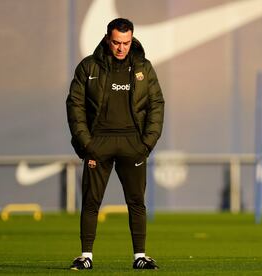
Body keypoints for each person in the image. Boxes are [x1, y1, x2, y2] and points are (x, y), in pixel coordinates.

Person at [66, 18, 164, 270]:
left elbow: (156, 105)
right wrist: (87, 144)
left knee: (136, 202)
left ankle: (140, 257)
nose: (122, 48)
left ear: (132, 39)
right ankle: (85, 256)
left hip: (133, 144)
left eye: (126, 43)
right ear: (108, 39)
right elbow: (74, 106)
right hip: (98, 144)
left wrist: (146, 144)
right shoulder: (88, 67)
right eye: (117, 42)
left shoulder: (144, 67)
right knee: (91, 202)